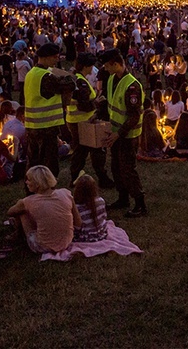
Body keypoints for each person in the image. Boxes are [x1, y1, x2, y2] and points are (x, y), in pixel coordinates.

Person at [101, 48, 147, 218]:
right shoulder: (113, 79)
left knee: (128, 169)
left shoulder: (132, 85)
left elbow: (134, 116)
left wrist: (119, 133)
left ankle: (140, 203)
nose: (105, 69)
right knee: (116, 167)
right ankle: (123, 198)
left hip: (127, 135)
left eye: (107, 65)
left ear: (116, 63)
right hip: (115, 134)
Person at [24, 42, 76, 181]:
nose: (56, 60)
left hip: (32, 125)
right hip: (46, 126)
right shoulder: (45, 76)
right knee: (49, 163)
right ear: (46, 57)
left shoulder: (31, 73)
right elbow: (68, 85)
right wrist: (69, 76)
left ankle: (32, 188)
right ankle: (46, 190)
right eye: (54, 57)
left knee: (33, 161)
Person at [6, 165, 81, 254]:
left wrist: (20, 203)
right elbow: (78, 222)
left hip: (43, 247)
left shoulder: (28, 201)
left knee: (22, 211)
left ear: (37, 183)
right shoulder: (65, 193)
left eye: (29, 180)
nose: (26, 182)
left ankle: (18, 235)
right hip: (67, 242)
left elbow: (10, 212)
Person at [66, 52, 113, 188]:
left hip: (75, 120)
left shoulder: (74, 78)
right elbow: (85, 105)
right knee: (95, 150)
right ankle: (101, 178)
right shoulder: (81, 82)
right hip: (84, 121)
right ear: (87, 66)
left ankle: (76, 177)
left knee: (80, 151)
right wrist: (97, 102)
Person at [73, 173, 108, 242]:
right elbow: (104, 217)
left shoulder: (76, 208)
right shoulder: (101, 201)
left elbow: (77, 227)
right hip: (100, 232)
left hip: (84, 237)